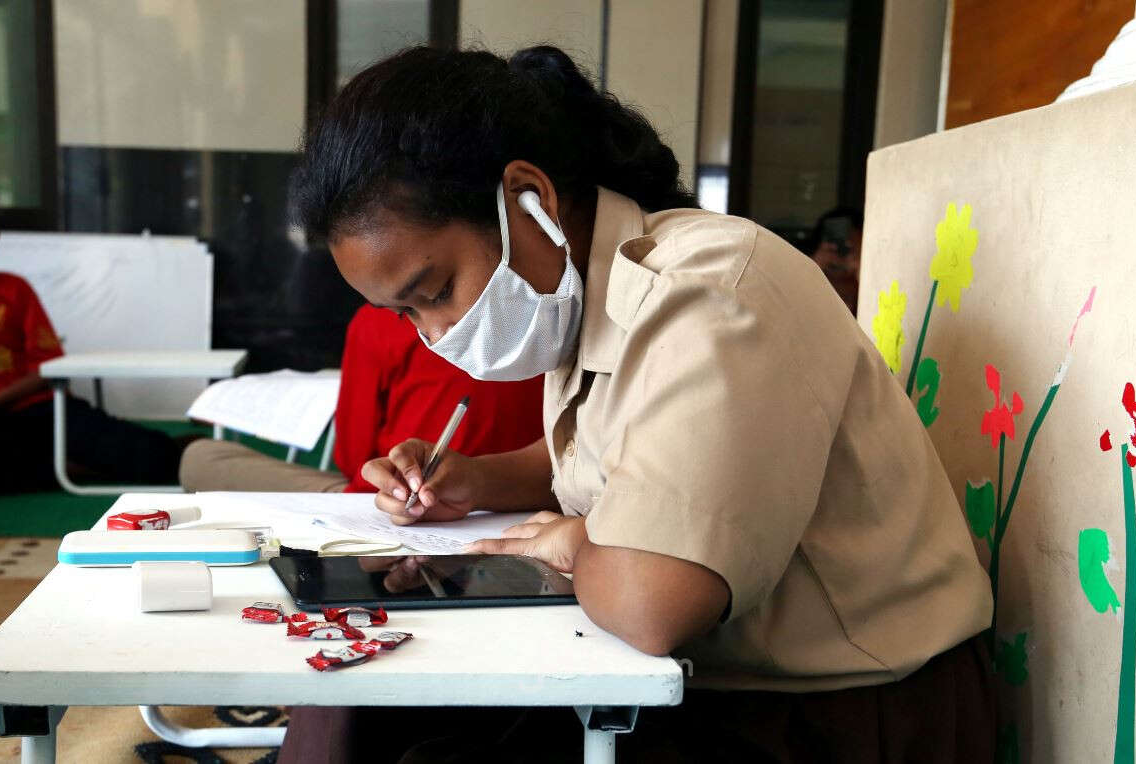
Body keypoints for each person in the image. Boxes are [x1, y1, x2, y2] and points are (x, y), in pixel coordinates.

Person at [279, 45, 996, 763]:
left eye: (434, 292)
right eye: (406, 315)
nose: (435, 335)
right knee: (362, 714)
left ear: (528, 197)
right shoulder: (590, 297)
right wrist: (470, 479)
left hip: (836, 717)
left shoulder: (710, 293)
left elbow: (654, 602)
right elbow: (620, 458)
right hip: (695, 687)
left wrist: (570, 543)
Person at [178, 304, 545, 492]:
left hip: (393, 501)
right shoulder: (545, 314)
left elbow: (353, 458)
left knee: (202, 456)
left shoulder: (380, 319)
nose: (435, 334)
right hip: (522, 492)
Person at [0, 187, 182, 492]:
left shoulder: (14, 289)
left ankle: (70, 464)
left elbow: (47, 368)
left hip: (33, 409)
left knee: (154, 459)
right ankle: (69, 467)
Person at [808, 206, 863, 315]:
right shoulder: (810, 276)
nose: (841, 249)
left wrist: (864, 272)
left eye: (851, 247)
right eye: (833, 242)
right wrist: (811, 268)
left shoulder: (871, 284)